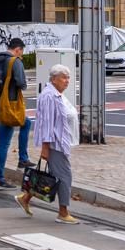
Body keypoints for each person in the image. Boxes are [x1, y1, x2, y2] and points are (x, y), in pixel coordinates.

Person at [19, 65, 79, 223]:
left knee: (54, 175)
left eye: (68, 77)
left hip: (60, 142)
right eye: (63, 77)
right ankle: (63, 212)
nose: (67, 81)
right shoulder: (49, 96)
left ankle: (25, 198)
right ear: (53, 79)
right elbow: (47, 123)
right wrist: (45, 147)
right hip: (55, 143)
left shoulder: (57, 94)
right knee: (65, 176)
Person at [0, 38, 30, 190]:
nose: (21, 54)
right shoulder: (15, 61)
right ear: (18, 49)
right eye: (22, 52)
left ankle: (20, 160)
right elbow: (22, 84)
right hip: (7, 104)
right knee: (5, 141)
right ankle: (0, 177)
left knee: (25, 123)